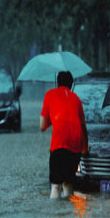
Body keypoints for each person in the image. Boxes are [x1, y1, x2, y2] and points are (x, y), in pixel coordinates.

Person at [40, 71, 88, 199]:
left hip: (59, 143)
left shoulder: (49, 95)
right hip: (76, 144)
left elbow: (42, 126)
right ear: (71, 85)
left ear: (57, 83)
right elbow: (83, 127)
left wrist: (51, 120)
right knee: (68, 183)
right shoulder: (76, 99)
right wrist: (85, 147)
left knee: (56, 186)